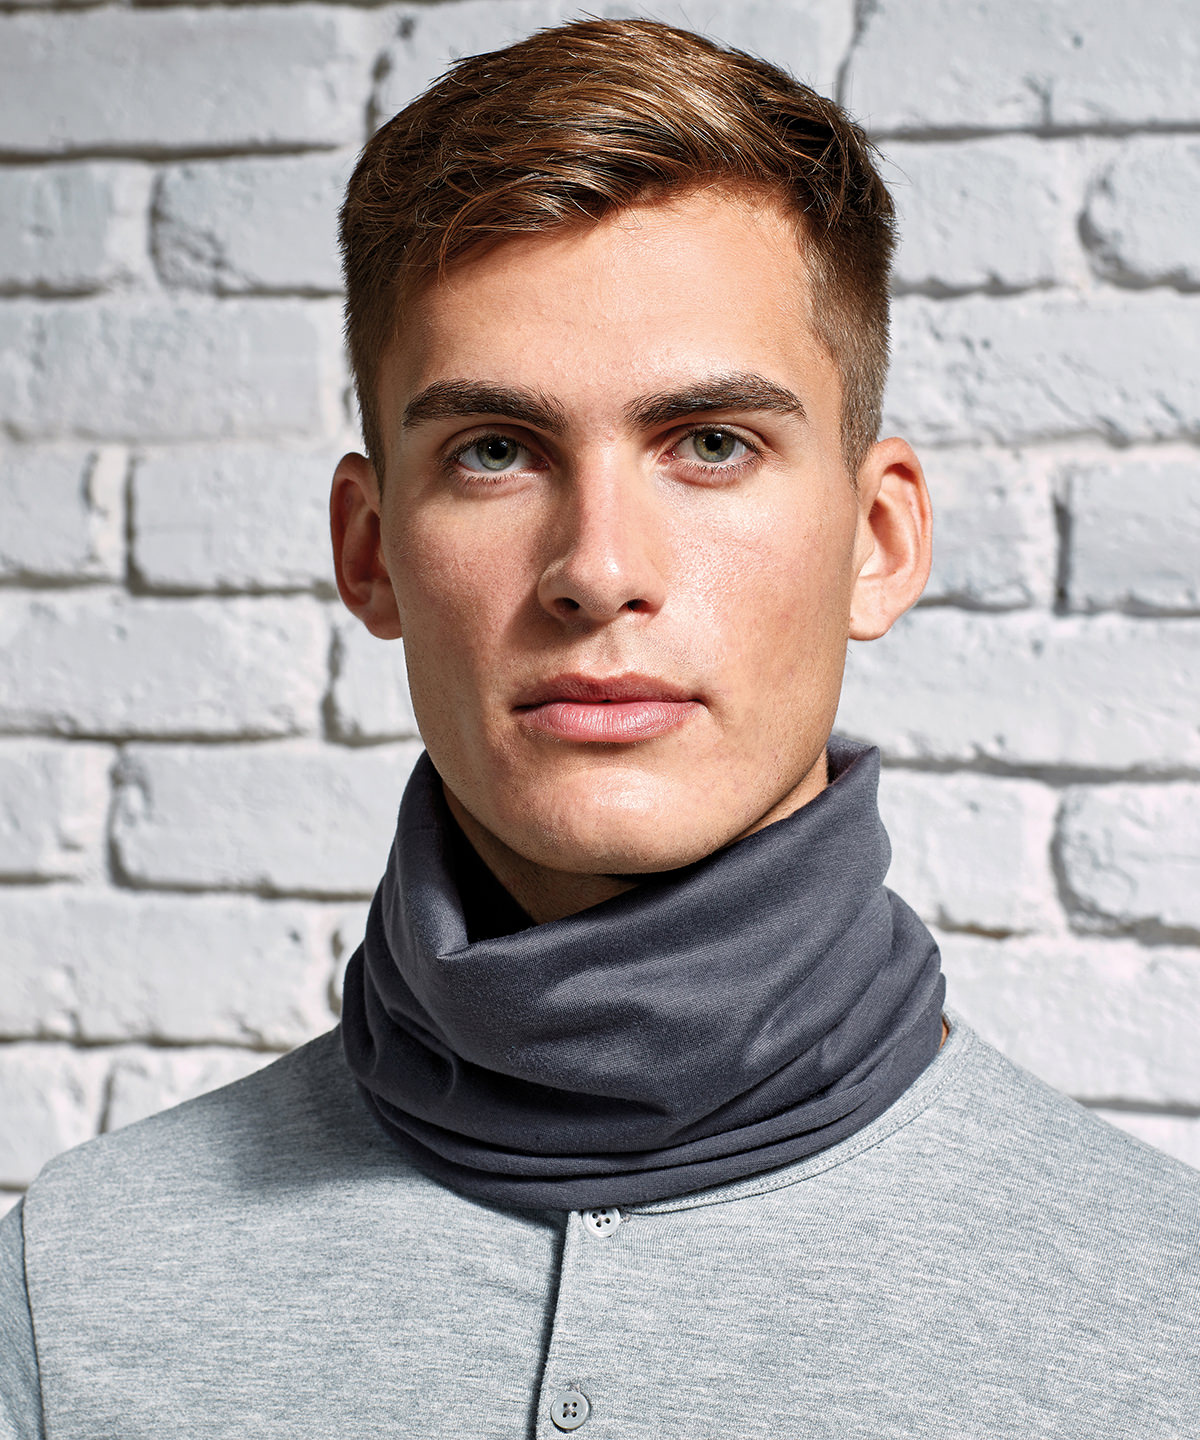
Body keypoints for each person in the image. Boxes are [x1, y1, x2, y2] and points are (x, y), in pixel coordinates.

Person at [2, 18, 1197, 1438]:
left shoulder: (1166, 1312)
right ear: (370, 553)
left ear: (876, 542)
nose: (598, 568)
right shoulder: (75, 1289)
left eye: (712, 443)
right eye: (494, 452)